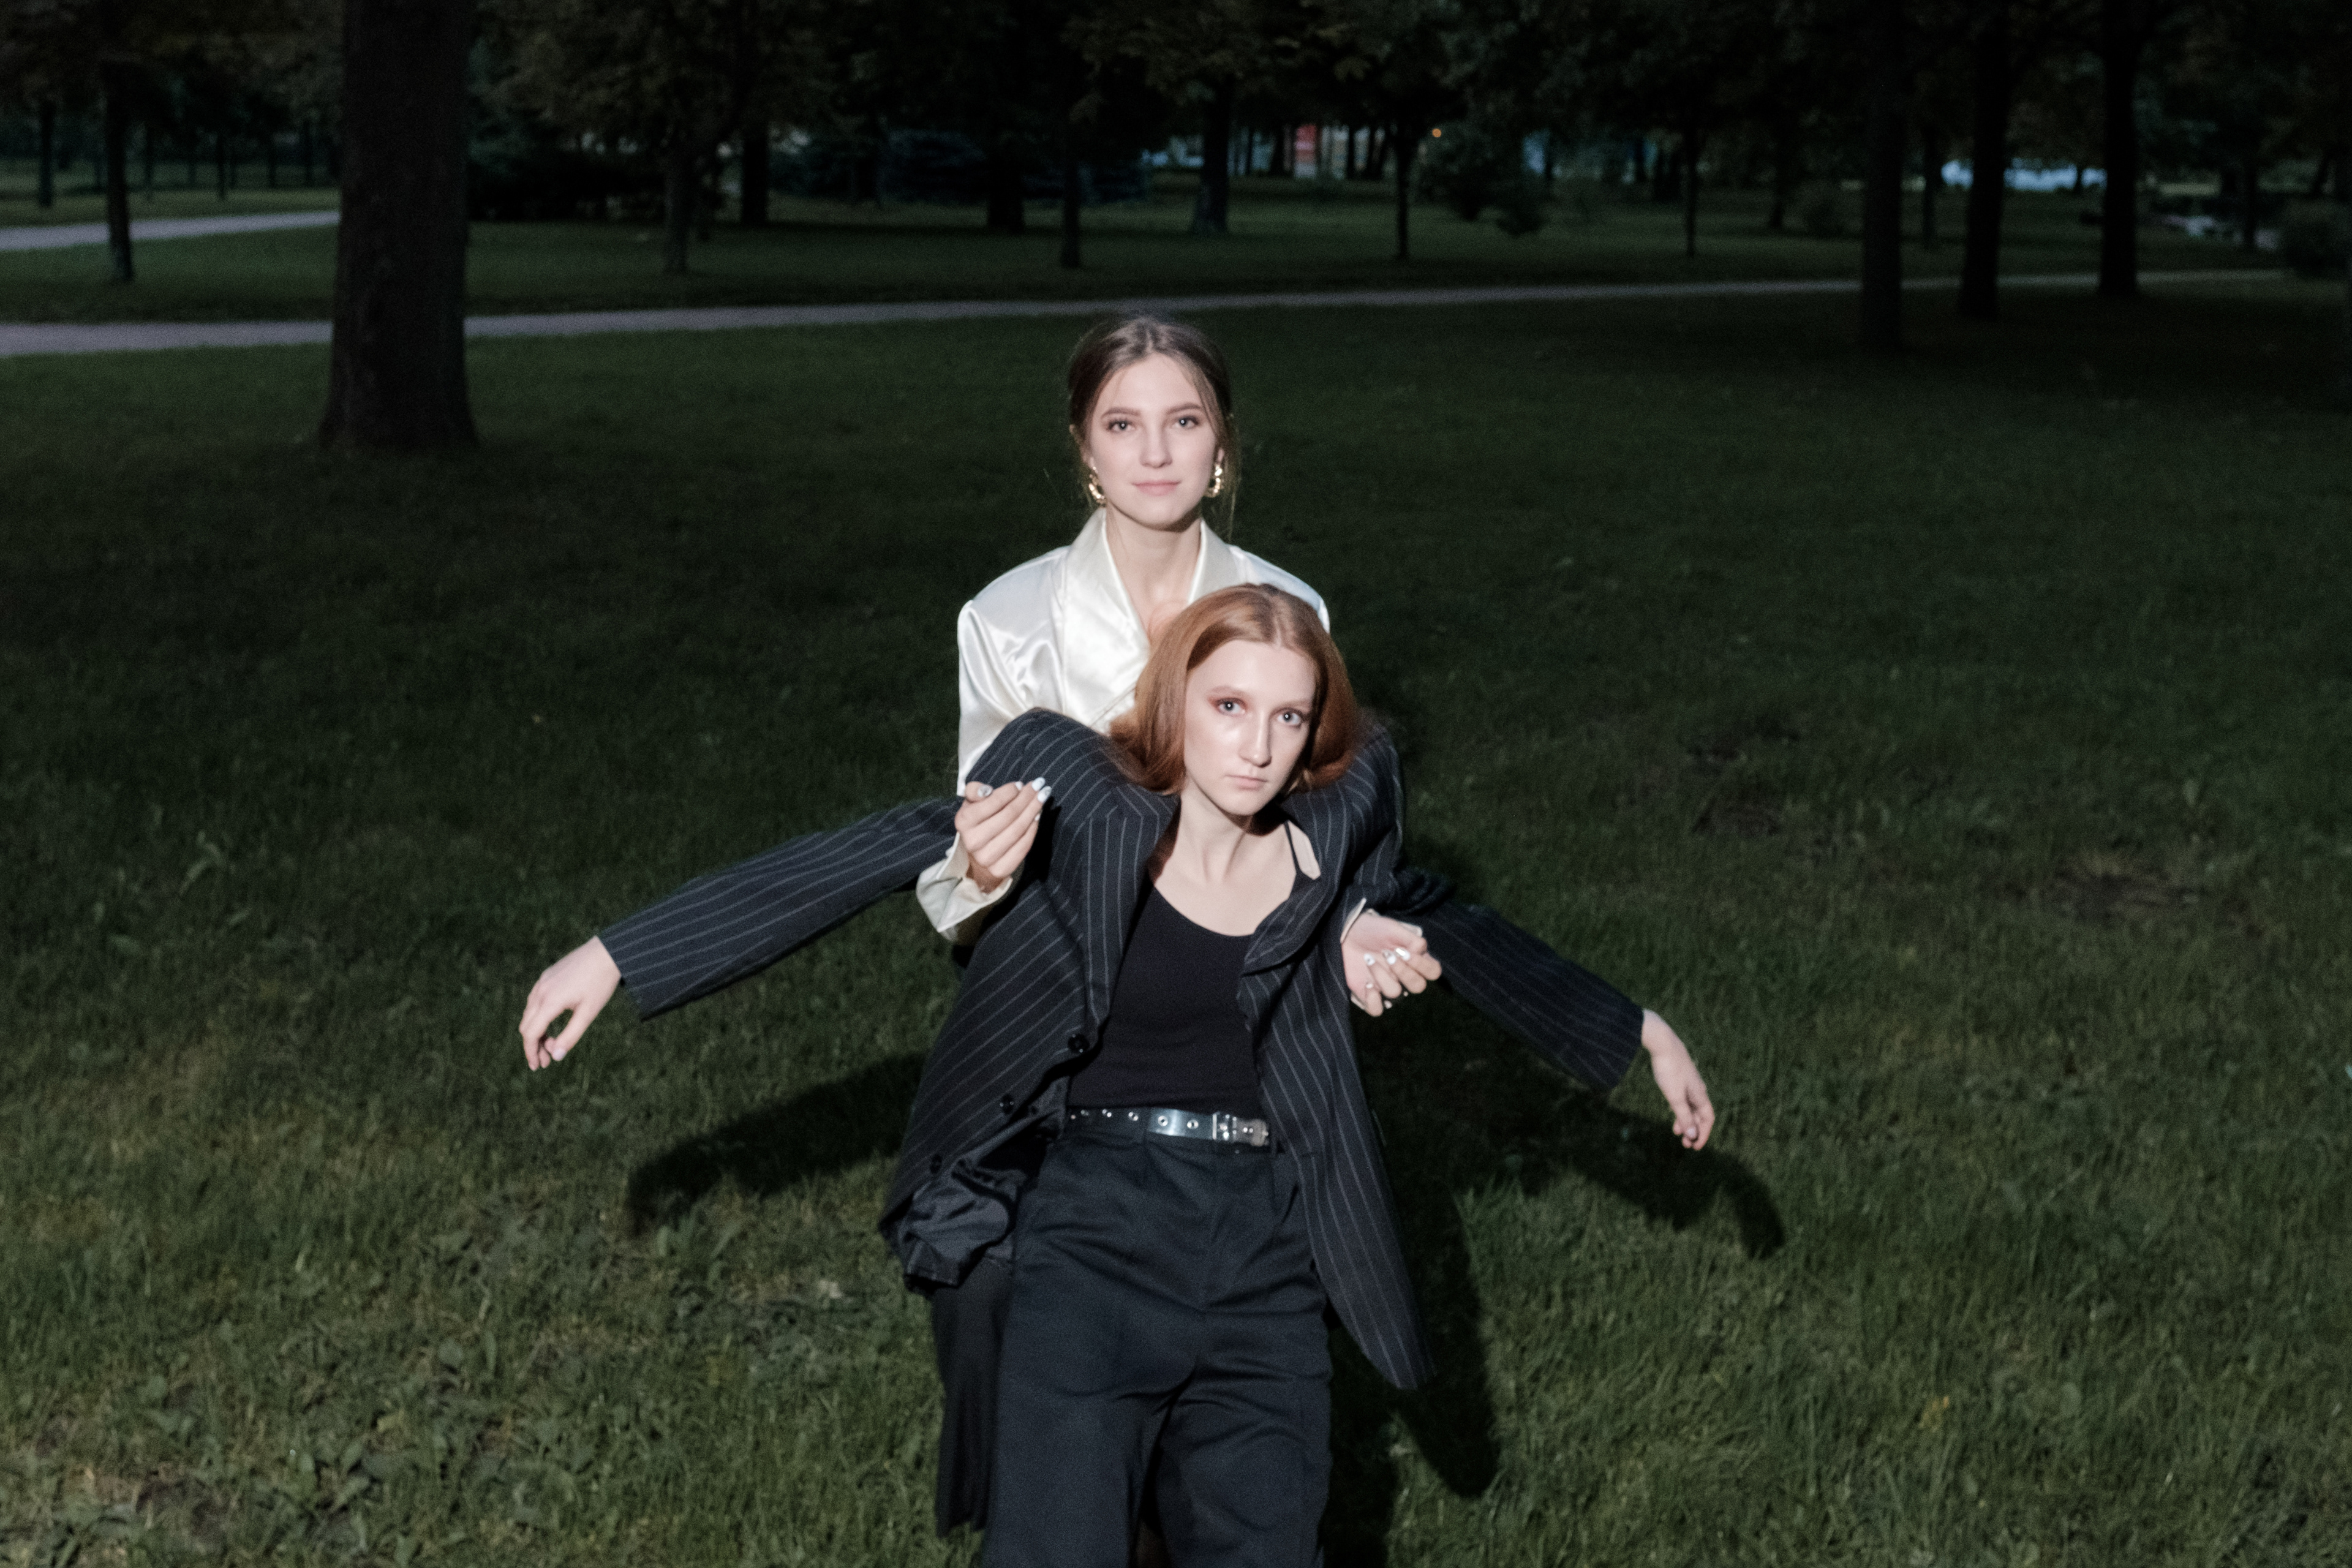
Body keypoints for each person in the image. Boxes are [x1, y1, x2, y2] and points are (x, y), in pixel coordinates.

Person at [518, 586, 1712, 1567]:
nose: (1257, 744)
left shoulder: (1336, 834)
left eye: (1289, 717)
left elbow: (1443, 915)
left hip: (1270, 1247)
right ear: (1177, 699)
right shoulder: (1085, 799)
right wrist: (620, 954)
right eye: (1230, 705)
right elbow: (880, 848)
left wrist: (1636, 1031)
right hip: (1096, 1231)